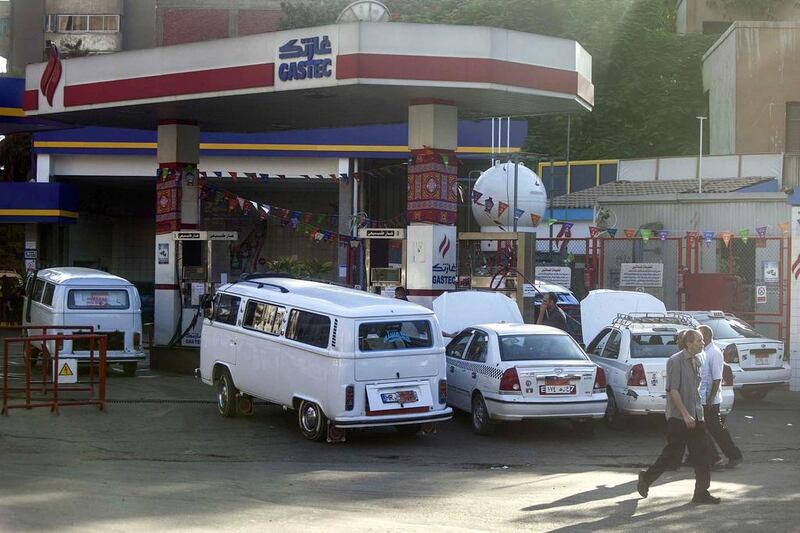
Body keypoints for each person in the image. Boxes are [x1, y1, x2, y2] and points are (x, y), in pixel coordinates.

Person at [637, 329, 720, 504]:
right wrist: (685, 415)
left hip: (697, 415)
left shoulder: (700, 358)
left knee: (702, 456)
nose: (703, 343)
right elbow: (673, 390)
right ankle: (646, 478)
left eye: (702, 341)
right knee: (672, 454)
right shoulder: (675, 361)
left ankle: (701, 493)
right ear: (688, 343)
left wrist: (698, 415)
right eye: (699, 341)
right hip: (679, 417)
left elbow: (696, 389)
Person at [698, 324, 743, 468]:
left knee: (716, 429)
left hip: (711, 399)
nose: (699, 339)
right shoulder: (704, 351)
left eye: (700, 336)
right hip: (703, 396)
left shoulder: (714, 352)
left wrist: (711, 398)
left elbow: (717, 378)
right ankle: (699, 456)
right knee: (706, 428)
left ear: (707, 336)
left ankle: (734, 455)